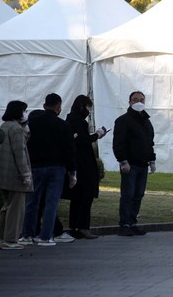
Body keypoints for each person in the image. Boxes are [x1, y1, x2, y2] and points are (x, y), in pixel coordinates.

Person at [20, 93, 76, 247]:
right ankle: (46, 237)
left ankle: (27, 234)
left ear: (44, 106)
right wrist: (72, 172)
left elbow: (25, 142)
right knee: (51, 202)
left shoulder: (32, 122)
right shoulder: (64, 126)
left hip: (36, 166)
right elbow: (70, 151)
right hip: (57, 167)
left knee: (32, 202)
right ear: (59, 108)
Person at [113, 91, 156, 237]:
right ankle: (124, 224)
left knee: (138, 195)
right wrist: (123, 161)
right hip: (130, 164)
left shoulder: (146, 121)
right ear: (130, 102)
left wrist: (152, 160)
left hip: (142, 164)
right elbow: (119, 143)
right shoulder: (123, 120)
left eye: (142, 100)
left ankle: (132, 222)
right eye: (135, 99)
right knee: (128, 195)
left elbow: (149, 142)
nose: (139, 102)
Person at [66, 95, 107, 239]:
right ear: (82, 106)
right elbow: (83, 140)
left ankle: (74, 227)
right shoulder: (78, 122)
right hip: (84, 164)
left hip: (77, 164)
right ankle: (83, 226)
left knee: (76, 198)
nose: (89, 111)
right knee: (85, 196)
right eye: (88, 107)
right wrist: (97, 135)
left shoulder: (70, 120)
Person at [0, 101, 33, 250]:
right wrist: (26, 174)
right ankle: (11, 239)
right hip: (16, 175)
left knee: (6, 207)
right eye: (24, 111)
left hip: (4, 173)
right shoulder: (16, 129)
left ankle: (2, 237)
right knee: (16, 208)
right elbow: (20, 153)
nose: (25, 113)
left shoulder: (4, 126)